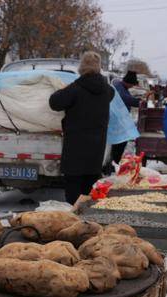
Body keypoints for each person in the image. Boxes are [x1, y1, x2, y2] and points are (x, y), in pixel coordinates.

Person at [49, 51, 114, 204]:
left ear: (82, 68)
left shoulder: (76, 88)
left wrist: (66, 88)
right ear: (98, 68)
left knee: (73, 197)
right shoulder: (108, 90)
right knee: (89, 194)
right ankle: (87, 223)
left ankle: (74, 221)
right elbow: (110, 94)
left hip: (75, 152)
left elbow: (54, 103)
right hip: (96, 153)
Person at [109, 70, 142, 169]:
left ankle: (114, 162)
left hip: (119, 119)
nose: (132, 86)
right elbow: (125, 98)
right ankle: (113, 163)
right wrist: (139, 103)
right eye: (132, 84)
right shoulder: (119, 88)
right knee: (119, 142)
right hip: (116, 120)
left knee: (122, 141)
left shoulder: (123, 87)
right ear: (128, 82)